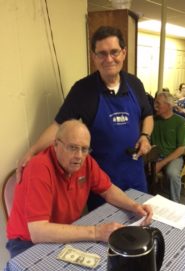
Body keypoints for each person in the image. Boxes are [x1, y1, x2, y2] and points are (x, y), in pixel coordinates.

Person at [17, 26, 153, 211]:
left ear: (124, 52)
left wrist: (145, 136)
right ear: (94, 56)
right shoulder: (83, 90)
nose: (109, 59)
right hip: (101, 183)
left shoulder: (135, 84)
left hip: (135, 175)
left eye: (114, 52)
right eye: (102, 54)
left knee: (140, 224)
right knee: (107, 233)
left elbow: (148, 115)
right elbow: (59, 126)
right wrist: (31, 152)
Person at [6, 120, 153, 258]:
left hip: (63, 229)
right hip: (26, 242)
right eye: (72, 148)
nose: (79, 156)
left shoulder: (86, 161)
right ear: (56, 145)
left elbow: (108, 190)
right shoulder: (39, 168)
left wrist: (134, 206)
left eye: (84, 149)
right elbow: (38, 232)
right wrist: (95, 232)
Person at [151, 92, 185, 202]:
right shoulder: (153, 120)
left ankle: (175, 204)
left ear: (168, 106)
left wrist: (161, 163)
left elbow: (181, 149)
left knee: (172, 174)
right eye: (155, 102)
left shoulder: (180, 122)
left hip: (174, 156)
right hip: (156, 156)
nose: (155, 106)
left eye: (158, 103)